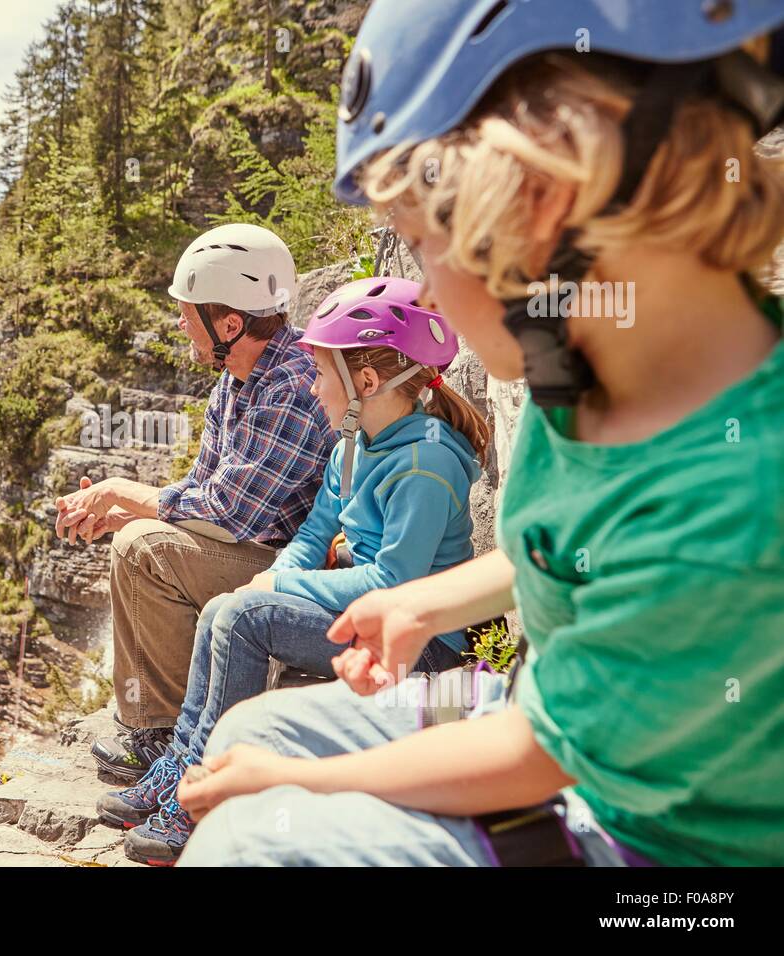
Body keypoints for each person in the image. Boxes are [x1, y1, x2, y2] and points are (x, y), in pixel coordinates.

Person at [176, 0, 784, 867]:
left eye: (422, 247)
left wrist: (304, 787)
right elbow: (572, 544)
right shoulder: (584, 375)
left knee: (256, 841)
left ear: (536, 207)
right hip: (561, 736)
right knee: (255, 727)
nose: (421, 294)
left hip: (658, 846)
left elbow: (538, 754)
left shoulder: (735, 487)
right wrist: (429, 601)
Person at [101, 277, 491, 865]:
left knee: (242, 619)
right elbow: (314, 532)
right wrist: (275, 574)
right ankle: (183, 765)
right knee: (225, 608)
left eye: (321, 375)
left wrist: (279, 585)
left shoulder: (425, 464)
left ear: (366, 383)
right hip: (366, 618)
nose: (312, 388)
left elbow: (394, 584)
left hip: (421, 645)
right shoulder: (351, 445)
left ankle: (203, 799)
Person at [53, 223, 335, 781]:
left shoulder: (292, 385)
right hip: (257, 547)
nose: (181, 322)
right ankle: (159, 725)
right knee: (137, 538)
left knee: (143, 549)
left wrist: (119, 495)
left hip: (289, 568)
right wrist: (119, 511)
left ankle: (162, 736)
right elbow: (204, 489)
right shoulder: (237, 378)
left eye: (190, 312)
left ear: (230, 323)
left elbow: (231, 511)